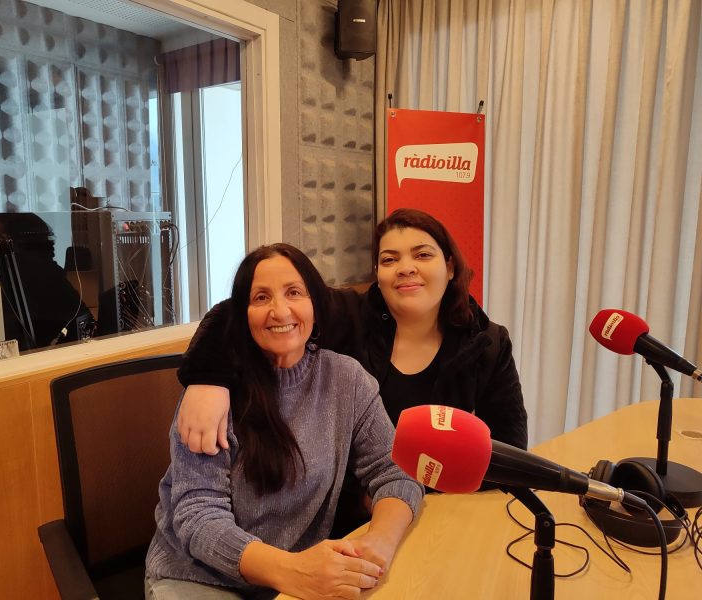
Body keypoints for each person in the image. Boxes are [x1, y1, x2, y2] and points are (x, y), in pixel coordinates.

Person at [145, 243, 424, 599]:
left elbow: (395, 471)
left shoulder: (346, 379)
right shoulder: (214, 392)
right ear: (242, 314)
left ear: (316, 305)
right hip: (199, 576)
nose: (279, 311)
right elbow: (198, 517)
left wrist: (378, 545)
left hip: (294, 578)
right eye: (261, 298)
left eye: (294, 292)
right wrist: (291, 570)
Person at [176, 208, 528, 453]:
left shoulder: (487, 344)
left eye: (422, 255)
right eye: (389, 259)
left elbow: (509, 449)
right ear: (378, 272)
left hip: (448, 505)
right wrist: (207, 381)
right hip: (353, 511)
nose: (405, 268)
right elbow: (236, 311)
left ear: (450, 267)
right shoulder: (351, 315)